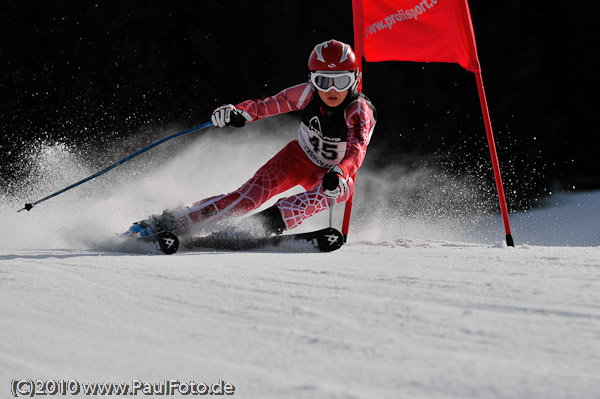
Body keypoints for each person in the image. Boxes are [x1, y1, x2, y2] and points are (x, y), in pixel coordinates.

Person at [125, 39, 376, 239]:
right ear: (312, 80)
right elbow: (268, 105)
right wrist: (237, 112)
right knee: (247, 197)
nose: (332, 90)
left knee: (341, 190)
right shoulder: (307, 94)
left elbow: (357, 149)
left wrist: (341, 172)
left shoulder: (357, 109)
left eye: (341, 81)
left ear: (354, 80)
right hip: (297, 159)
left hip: (332, 172)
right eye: (324, 81)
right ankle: (165, 222)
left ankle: (261, 226)